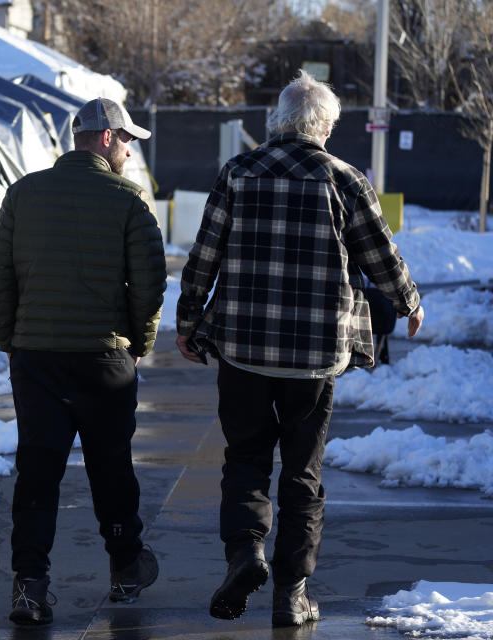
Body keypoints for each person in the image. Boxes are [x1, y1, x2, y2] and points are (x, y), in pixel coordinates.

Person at [175, 71, 424, 627]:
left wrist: (188, 320)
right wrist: (408, 300)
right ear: (325, 125)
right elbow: (380, 256)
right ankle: (292, 594)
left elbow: (205, 254)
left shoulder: (238, 171)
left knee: (245, 456)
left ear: (278, 121)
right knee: (303, 473)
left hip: (242, 346)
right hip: (315, 354)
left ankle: (245, 552)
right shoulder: (344, 179)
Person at [0, 97, 167, 626]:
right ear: (107, 138)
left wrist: (12, 338)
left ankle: (30, 586)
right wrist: (139, 342)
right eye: (128, 140)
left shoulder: (22, 194)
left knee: (37, 474)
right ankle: (126, 567)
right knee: (111, 468)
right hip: (103, 359)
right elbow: (150, 285)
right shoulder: (128, 200)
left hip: (36, 361)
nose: (131, 152)